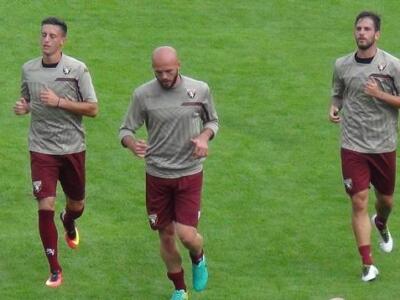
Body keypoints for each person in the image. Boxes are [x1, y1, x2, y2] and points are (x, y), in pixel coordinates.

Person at [119, 46, 219, 300]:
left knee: (187, 235)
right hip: (157, 175)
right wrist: (132, 144)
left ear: (179, 65)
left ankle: (199, 257)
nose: (164, 77)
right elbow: (125, 130)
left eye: (168, 71)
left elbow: (212, 122)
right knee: (165, 235)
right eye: (158, 72)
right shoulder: (143, 95)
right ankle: (179, 289)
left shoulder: (199, 90)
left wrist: (205, 138)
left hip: (189, 173)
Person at [13, 17, 98, 288]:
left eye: (52, 36)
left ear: (63, 40)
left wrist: (59, 101)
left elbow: (93, 108)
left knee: (77, 205)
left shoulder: (77, 69)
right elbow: (27, 97)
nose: (46, 39)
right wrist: (24, 107)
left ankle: (69, 221)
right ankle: (55, 269)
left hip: (72, 147)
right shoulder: (29, 69)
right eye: (43, 35)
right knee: (44, 205)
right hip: (41, 148)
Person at [329, 11, 400, 282]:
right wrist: (335, 108)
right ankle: (367, 264)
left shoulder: (392, 66)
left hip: (383, 144)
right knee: (359, 200)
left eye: (367, 29)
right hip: (353, 145)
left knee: (386, 201)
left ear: (377, 34)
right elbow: (338, 93)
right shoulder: (342, 65)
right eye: (358, 28)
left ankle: (381, 222)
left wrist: (379, 94)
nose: (361, 33)